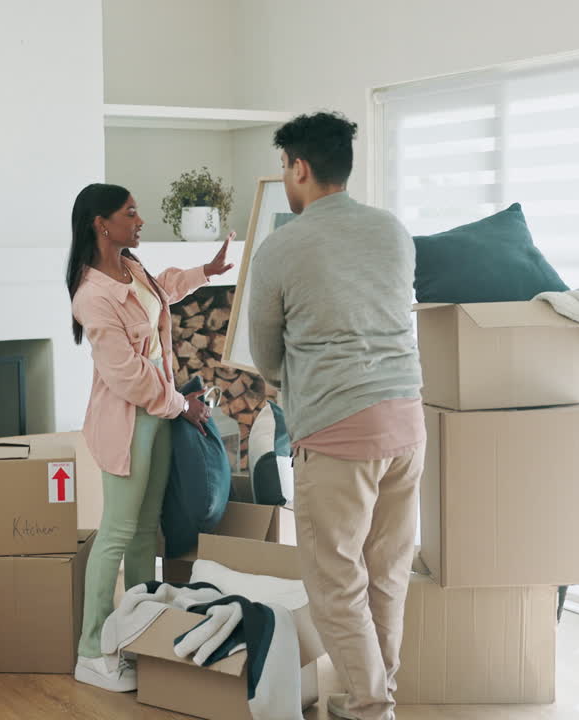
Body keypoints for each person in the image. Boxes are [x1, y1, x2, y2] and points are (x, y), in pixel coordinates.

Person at [247, 112, 425, 720]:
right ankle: (370, 695)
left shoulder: (282, 246)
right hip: (406, 422)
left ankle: (369, 708)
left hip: (337, 431)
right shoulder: (393, 231)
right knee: (386, 575)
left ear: (299, 168)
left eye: (284, 168)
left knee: (335, 581)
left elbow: (265, 352)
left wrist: (289, 384)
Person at [66, 183, 234, 692]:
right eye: (130, 214)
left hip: (159, 412)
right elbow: (126, 375)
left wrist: (206, 272)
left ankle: (135, 635)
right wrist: (182, 405)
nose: (139, 221)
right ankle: (92, 649)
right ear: (101, 223)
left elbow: (160, 290)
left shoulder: (129, 266)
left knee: (144, 533)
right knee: (117, 532)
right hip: (131, 420)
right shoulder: (91, 294)